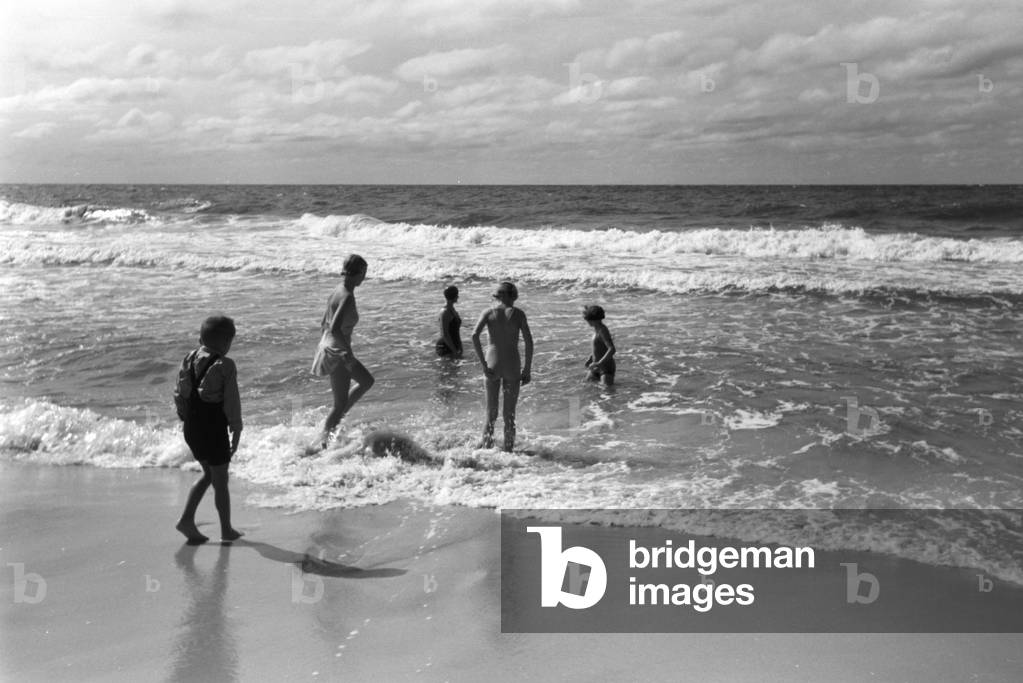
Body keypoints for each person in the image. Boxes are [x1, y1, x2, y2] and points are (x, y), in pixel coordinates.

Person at [175, 315, 244, 544]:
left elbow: (180, 394)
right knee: (220, 481)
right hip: (213, 430)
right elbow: (231, 402)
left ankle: (186, 519)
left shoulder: (189, 358)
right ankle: (226, 530)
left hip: (192, 428)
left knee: (208, 474)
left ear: (200, 338)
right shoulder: (225, 365)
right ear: (226, 341)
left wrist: (186, 419)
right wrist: (236, 428)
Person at [311, 254, 375, 449]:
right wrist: (346, 352)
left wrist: (329, 345)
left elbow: (324, 323)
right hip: (339, 352)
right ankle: (326, 443)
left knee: (366, 381)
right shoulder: (347, 296)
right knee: (339, 403)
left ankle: (336, 424)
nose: (365, 277)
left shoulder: (338, 290)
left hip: (330, 347)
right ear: (359, 272)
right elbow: (335, 327)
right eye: (364, 272)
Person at [471, 281, 533, 451]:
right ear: (511, 295)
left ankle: (486, 451)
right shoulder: (518, 314)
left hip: (492, 363)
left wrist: (483, 364)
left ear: (498, 296)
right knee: (509, 416)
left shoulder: (489, 312)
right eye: (514, 294)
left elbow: (474, 335)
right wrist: (527, 368)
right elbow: (529, 341)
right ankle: (508, 452)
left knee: (491, 414)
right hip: (512, 364)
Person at [583, 304, 616, 386]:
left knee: (607, 392)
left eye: (588, 319)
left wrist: (599, 363)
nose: (587, 321)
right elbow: (599, 347)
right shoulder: (596, 329)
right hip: (595, 366)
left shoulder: (603, 330)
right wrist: (591, 357)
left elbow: (612, 349)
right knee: (586, 386)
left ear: (594, 319)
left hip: (605, 367)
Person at [435, 285, 463, 357]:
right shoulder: (445, 312)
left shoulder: (452, 310)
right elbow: (445, 334)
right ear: (454, 296)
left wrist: (460, 346)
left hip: (453, 345)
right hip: (445, 347)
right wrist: (454, 351)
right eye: (457, 294)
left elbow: (456, 331)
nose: (458, 296)